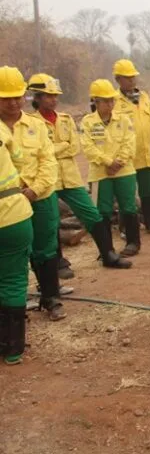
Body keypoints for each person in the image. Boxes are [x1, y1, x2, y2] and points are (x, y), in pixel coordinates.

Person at [28, 74, 131, 270]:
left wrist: (53, 148)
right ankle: (58, 262)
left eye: (55, 96)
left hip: (71, 178)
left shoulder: (65, 120)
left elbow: (74, 147)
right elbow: (37, 152)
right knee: (51, 222)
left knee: (92, 214)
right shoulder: (31, 123)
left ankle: (108, 254)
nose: (53, 99)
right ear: (37, 97)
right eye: (48, 96)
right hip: (46, 179)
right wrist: (60, 147)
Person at [1, 69, 65, 321]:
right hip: (7, 203)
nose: (14, 102)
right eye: (7, 98)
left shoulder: (36, 126)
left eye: (18, 96)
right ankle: (15, 304)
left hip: (40, 197)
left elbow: (48, 161)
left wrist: (35, 189)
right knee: (14, 254)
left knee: (45, 249)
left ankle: (50, 297)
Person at [0, 67, 37, 364]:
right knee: (13, 280)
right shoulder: (3, 133)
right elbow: (21, 161)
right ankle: (13, 349)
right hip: (13, 214)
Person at [80, 79, 141, 258]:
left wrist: (118, 162)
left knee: (128, 207)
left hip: (125, 171)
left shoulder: (123, 119)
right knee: (102, 211)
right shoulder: (88, 122)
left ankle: (133, 242)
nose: (110, 104)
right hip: (100, 173)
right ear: (95, 101)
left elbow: (130, 143)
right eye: (105, 101)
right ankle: (106, 249)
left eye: (111, 100)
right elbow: (88, 147)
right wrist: (108, 162)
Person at [112, 59, 150, 235]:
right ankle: (126, 227)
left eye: (133, 77)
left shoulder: (144, 97)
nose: (132, 81)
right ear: (118, 79)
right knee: (126, 194)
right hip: (126, 157)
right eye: (128, 78)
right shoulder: (113, 101)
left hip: (145, 153)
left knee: (148, 191)